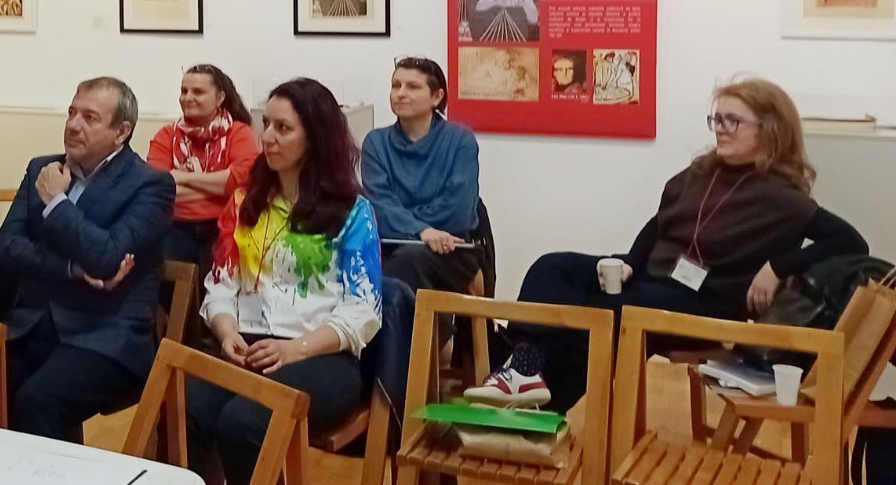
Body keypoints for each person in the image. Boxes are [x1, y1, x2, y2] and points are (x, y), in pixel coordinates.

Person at [466, 78, 868, 411]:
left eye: (732, 120)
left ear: (770, 129)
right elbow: (660, 223)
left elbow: (851, 242)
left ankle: (540, 396)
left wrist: (780, 266)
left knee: (604, 311)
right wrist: (631, 260)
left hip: (707, 299)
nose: (720, 129)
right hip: (653, 277)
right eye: (716, 119)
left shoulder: (782, 197)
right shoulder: (702, 171)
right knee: (552, 268)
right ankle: (522, 371)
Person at [0, 77, 173, 441]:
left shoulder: (150, 185)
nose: (73, 125)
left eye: (90, 118)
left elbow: (107, 258)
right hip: (29, 329)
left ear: (121, 132)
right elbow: (4, 250)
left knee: (37, 402)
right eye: (72, 112)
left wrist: (57, 202)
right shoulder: (41, 169)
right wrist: (70, 268)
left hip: (104, 337)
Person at [190, 78, 383, 485]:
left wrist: (294, 349)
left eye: (283, 128)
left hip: (319, 355)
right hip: (247, 345)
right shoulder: (246, 201)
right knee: (184, 406)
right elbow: (220, 284)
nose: (267, 138)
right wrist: (226, 333)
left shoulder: (352, 211)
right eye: (266, 125)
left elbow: (364, 311)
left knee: (244, 422)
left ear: (314, 138)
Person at [361, 57, 481, 294]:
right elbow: (378, 207)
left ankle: (405, 318)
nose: (400, 93)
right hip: (390, 245)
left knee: (406, 264)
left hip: (450, 248)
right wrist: (422, 230)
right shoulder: (375, 142)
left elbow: (457, 210)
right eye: (396, 85)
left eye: (412, 87)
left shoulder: (461, 140)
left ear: (436, 97)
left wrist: (406, 221)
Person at [146, 64, 260, 275]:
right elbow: (156, 186)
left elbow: (241, 180)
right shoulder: (167, 135)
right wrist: (219, 187)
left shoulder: (239, 132)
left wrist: (181, 177)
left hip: (225, 228)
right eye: (184, 91)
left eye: (198, 92)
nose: (187, 98)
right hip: (174, 227)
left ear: (220, 98)